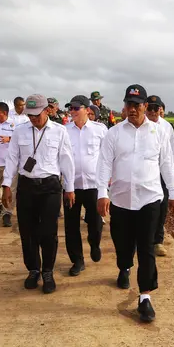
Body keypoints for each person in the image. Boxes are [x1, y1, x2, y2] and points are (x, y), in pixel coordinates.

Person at [96, 84, 174, 323]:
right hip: (121, 199)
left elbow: (166, 164)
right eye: (128, 105)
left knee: (146, 248)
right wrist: (102, 193)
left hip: (150, 198)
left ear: (145, 106)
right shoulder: (114, 133)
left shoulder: (159, 132)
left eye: (137, 105)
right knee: (123, 244)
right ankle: (124, 266)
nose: (132, 109)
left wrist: (173, 193)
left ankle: (145, 297)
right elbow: (103, 164)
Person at [2, 94, 75, 294]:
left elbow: (67, 160)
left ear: (47, 110)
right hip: (26, 186)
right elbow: (12, 158)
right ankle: (33, 269)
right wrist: (7, 184)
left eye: (36, 114)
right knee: (27, 231)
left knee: (48, 233)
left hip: (50, 187)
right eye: (30, 115)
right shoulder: (19, 131)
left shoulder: (59, 131)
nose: (33, 118)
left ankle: (48, 272)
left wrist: (69, 188)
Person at [64, 95, 108, 276]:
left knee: (95, 222)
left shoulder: (100, 130)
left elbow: (107, 157)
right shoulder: (64, 131)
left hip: (93, 185)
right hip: (71, 186)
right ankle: (77, 260)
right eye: (70, 108)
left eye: (75, 108)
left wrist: (108, 180)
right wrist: (66, 186)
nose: (72, 112)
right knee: (71, 225)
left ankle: (94, 242)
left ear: (86, 109)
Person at [145, 95, 174, 257]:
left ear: (160, 110)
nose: (153, 112)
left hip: (163, 172)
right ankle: (140, 238)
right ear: (145, 108)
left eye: (157, 109)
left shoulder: (167, 126)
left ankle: (157, 241)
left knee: (162, 207)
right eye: (150, 108)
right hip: (146, 172)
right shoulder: (138, 126)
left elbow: (173, 148)